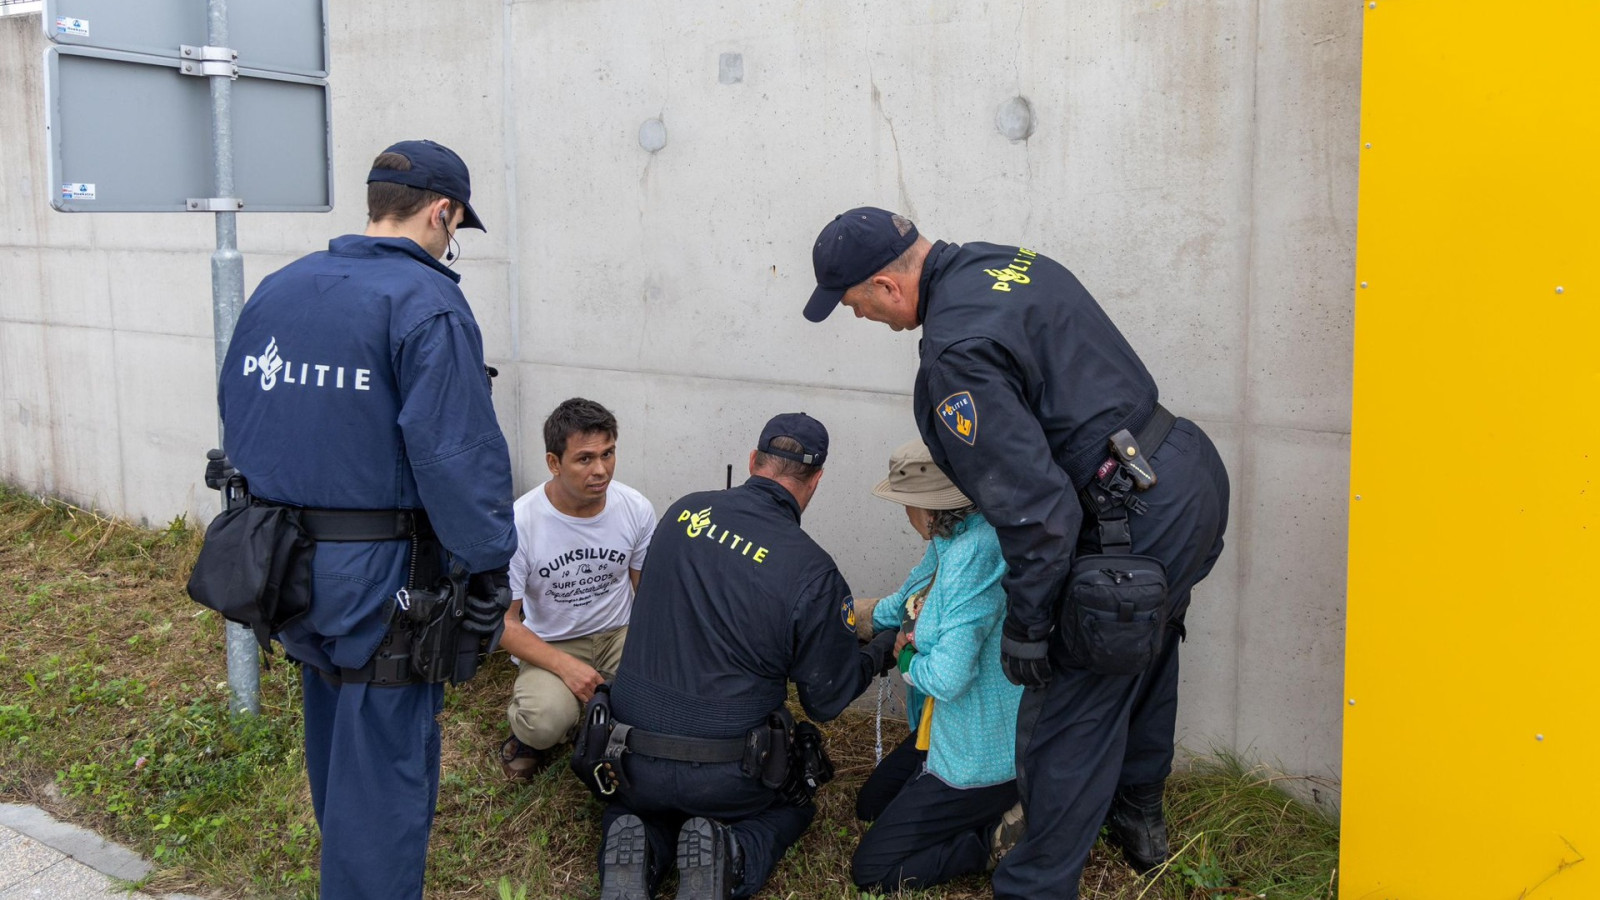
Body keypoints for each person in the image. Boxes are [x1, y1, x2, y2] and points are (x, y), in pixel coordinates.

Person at [802, 208, 1231, 899]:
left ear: (885, 285)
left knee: (1069, 718)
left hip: (1131, 517)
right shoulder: (1003, 262)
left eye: (854, 306)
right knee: (1150, 646)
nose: (860, 319)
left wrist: (1032, 628)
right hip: (1184, 474)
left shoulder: (954, 352)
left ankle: (1033, 885)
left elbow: (1039, 512)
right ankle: (1137, 811)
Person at [215, 140, 516, 900]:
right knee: (383, 781)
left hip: (281, 569)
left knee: (336, 757)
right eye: (454, 226)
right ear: (443, 213)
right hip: (382, 588)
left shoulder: (280, 290)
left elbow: (240, 414)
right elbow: (458, 455)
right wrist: (486, 571)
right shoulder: (427, 304)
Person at [594, 413, 901, 900]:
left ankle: (642, 840)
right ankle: (731, 855)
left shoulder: (683, 513)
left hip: (628, 757)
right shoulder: (813, 571)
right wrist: (884, 648)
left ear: (754, 460)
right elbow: (826, 698)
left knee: (648, 802)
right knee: (794, 804)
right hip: (729, 776)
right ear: (816, 481)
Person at [851, 438, 1023, 892]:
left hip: (976, 752)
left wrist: (907, 657)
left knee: (871, 871)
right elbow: (904, 600)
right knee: (870, 805)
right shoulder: (950, 537)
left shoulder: (975, 554)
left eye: (905, 502)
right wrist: (848, 615)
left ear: (927, 507)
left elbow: (949, 677)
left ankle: (989, 839)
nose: (904, 513)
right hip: (940, 730)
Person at [499, 398, 656, 780]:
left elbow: (648, 593)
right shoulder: (521, 523)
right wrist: (565, 667)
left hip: (619, 634)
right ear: (554, 463)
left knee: (665, 699)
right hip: (554, 642)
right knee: (544, 722)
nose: (601, 470)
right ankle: (536, 729)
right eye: (585, 459)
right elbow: (503, 623)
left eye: (608, 453)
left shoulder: (634, 508)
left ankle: (602, 709)